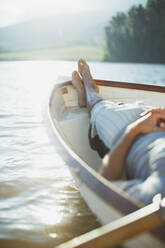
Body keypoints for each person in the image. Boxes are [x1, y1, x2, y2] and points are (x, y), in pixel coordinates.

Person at [72, 59, 165, 206]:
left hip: (132, 132)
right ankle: (90, 97)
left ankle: (90, 93)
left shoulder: (155, 193)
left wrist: (134, 130)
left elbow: (103, 187)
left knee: (100, 109)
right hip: (158, 117)